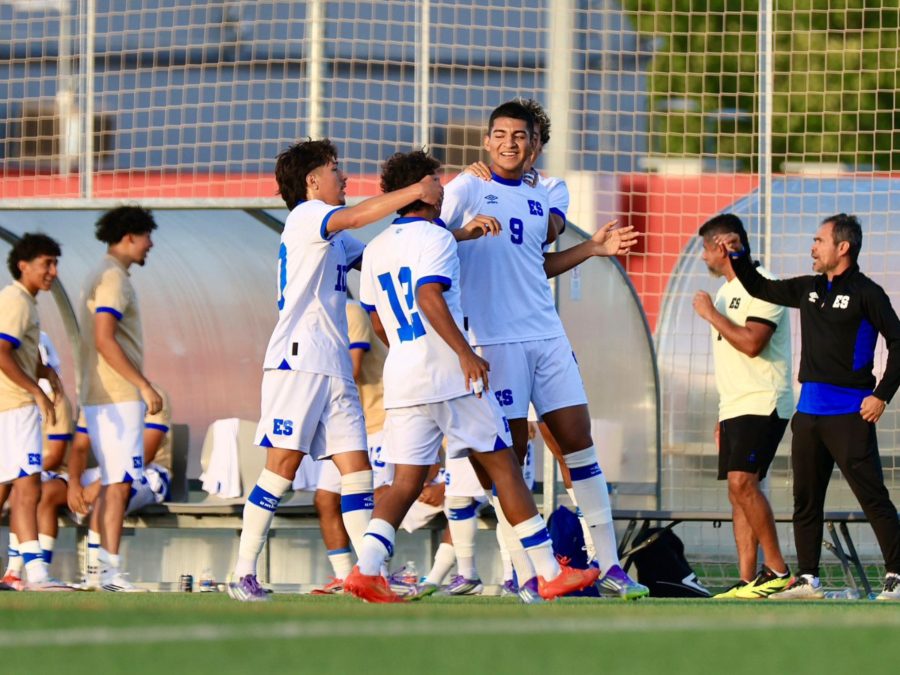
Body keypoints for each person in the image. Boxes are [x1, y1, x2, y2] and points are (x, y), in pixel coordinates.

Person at [344, 149, 598, 603]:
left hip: (403, 378)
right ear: (422, 187)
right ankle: (546, 572)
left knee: (405, 481)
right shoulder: (436, 239)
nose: (444, 190)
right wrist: (464, 352)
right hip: (448, 374)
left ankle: (364, 570)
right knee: (504, 467)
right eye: (438, 182)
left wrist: (409, 351)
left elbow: (377, 319)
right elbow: (428, 294)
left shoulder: (378, 246)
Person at [438, 100, 648, 600]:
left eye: (520, 136)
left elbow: (540, 256)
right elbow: (428, 236)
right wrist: (464, 230)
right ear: (487, 141)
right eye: (500, 134)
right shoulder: (466, 186)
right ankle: (524, 572)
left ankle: (611, 566)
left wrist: (593, 249)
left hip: (547, 336)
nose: (509, 142)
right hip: (494, 341)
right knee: (510, 457)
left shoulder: (551, 189)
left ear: (536, 144)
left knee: (579, 442)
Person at [226, 139, 442, 602]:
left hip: (334, 364)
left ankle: (366, 574)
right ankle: (242, 571)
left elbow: (387, 253)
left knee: (358, 473)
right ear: (312, 182)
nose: (343, 177)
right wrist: (413, 190)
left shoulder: (337, 236)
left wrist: (454, 235)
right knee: (281, 470)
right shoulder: (307, 216)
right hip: (297, 360)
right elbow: (362, 216)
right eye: (335, 169)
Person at [719, 213, 900, 601]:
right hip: (809, 414)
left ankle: (897, 575)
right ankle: (807, 580)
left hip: (851, 414)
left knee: (873, 497)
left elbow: (898, 343)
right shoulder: (809, 288)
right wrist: (738, 255)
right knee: (806, 499)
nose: (812, 248)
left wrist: (881, 394)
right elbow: (760, 286)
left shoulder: (869, 293)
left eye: (819, 241)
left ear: (843, 247)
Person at [692, 214, 793, 599]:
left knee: (743, 483)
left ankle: (779, 571)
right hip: (735, 405)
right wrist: (722, 412)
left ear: (724, 245)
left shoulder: (765, 284)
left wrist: (710, 315)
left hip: (763, 400)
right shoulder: (725, 291)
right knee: (736, 491)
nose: (702, 258)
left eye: (705, 248)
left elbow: (753, 343)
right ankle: (749, 580)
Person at [79, 206, 161, 592]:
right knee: (120, 484)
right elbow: (103, 338)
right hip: (117, 395)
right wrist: (143, 385)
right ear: (130, 236)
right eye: (146, 236)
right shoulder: (113, 278)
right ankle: (109, 572)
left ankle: (101, 571)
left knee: (116, 481)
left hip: (100, 396)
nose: (151, 244)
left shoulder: (100, 273)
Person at [35, 385, 173, 588]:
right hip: (104, 469)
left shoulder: (152, 394)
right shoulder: (94, 394)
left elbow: (146, 453)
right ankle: (40, 576)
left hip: (148, 471)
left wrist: (100, 483)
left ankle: (97, 577)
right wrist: (73, 484)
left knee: (107, 493)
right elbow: (80, 448)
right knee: (47, 492)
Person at [0, 233, 70, 590]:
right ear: (24, 265)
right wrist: (36, 392)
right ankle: (38, 574)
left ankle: (27, 572)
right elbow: (1, 352)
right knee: (28, 488)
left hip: (8, 407)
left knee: (12, 489)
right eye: (47, 263)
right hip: (15, 408)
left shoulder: (20, 301)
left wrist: (44, 371)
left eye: (55, 263)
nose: (53, 271)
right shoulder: (17, 301)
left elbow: (16, 353)